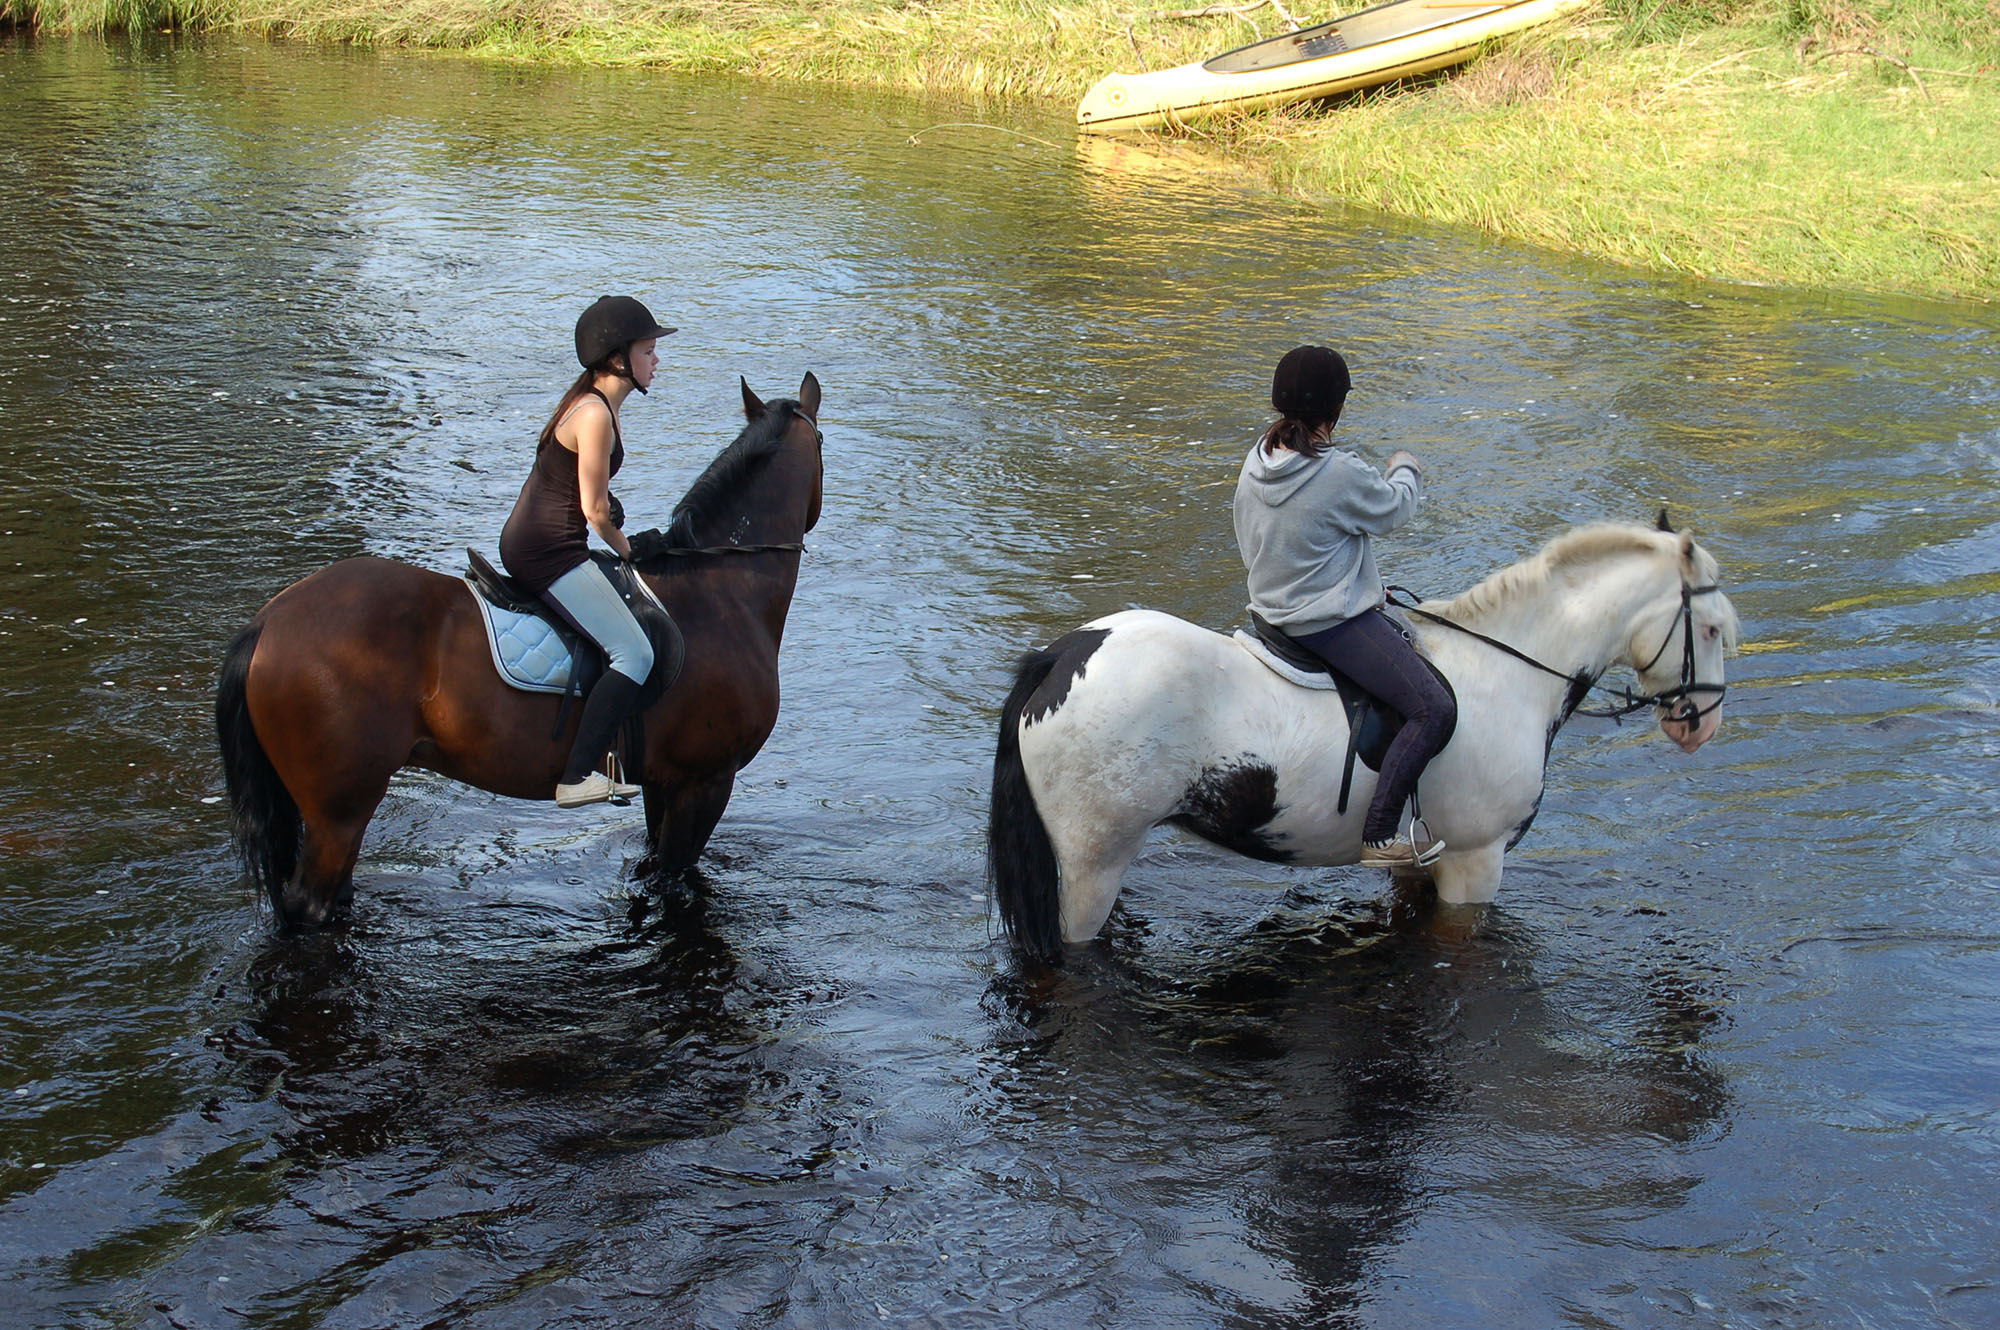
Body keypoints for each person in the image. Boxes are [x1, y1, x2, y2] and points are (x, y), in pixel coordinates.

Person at [1232, 345, 1457, 869]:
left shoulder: (1258, 459)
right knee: (1434, 708)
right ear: (1334, 412)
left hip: (1269, 612)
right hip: (1327, 625)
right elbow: (1394, 509)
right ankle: (1379, 836)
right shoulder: (1339, 473)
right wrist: (1406, 469)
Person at [500, 295, 673, 808]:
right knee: (635, 651)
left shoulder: (595, 404)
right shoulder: (595, 414)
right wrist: (629, 549)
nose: (656, 360)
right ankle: (576, 777)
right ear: (619, 358)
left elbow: (583, 492)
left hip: (546, 541)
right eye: (648, 350)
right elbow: (593, 512)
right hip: (547, 553)